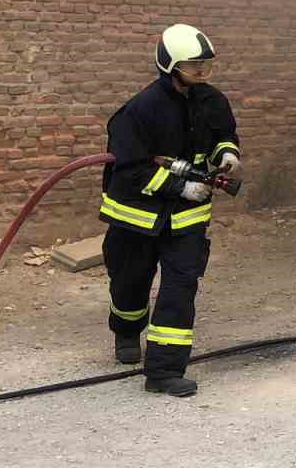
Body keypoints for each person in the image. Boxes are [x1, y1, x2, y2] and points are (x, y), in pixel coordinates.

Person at [100, 24, 242, 397]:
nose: (202, 73)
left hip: (187, 220)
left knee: (180, 289)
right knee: (130, 285)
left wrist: (226, 154)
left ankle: (163, 372)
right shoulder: (138, 111)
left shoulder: (213, 102)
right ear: (169, 64)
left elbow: (224, 135)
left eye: (206, 66)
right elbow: (128, 172)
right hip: (136, 217)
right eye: (193, 66)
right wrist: (180, 186)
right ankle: (127, 332)